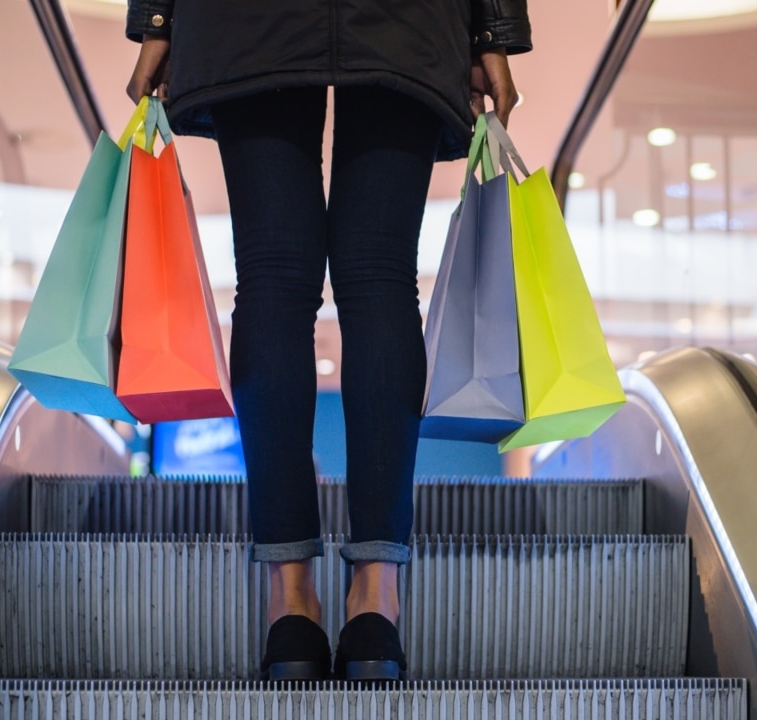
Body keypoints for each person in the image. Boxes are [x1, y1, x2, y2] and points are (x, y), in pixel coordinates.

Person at [125, 0, 531, 682]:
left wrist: (160, 20)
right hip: (407, 23)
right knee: (379, 279)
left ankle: (290, 607)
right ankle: (376, 603)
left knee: (272, 282)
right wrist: (493, 28)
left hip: (245, 23)